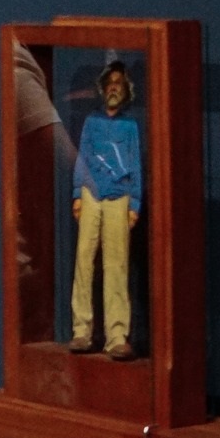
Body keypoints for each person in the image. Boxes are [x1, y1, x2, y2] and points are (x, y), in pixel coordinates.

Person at [71, 60, 142, 360]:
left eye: (119, 83)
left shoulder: (130, 126)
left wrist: (135, 202)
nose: (114, 88)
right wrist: (77, 193)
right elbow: (82, 157)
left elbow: (135, 164)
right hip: (92, 193)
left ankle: (116, 335)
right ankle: (81, 330)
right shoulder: (91, 122)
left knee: (116, 265)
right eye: (110, 83)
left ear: (126, 90)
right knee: (84, 260)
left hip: (119, 195)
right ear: (102, 88)